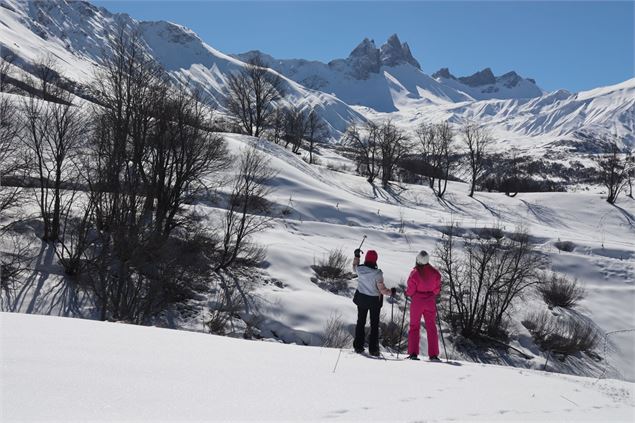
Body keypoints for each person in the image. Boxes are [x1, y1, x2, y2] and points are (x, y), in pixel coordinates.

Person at [352, 248, 395, 356]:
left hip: (361, 299)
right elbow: (382, 290)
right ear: (375, 260)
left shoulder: (360, 269)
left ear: (366, 258)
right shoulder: (378, 273)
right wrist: (391, 292)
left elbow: (354, 267)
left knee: (360, 322)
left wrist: (357, 256)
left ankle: (358, 346)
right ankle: (373, 349)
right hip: (374, 301)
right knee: (374, 325)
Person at [405, 250, 442, 361]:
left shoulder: (415, 273)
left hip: (417, 301)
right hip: (430, 300)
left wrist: (407, 293)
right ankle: (433, 354)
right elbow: (437, 289)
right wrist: (430, 294)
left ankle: (413, 353)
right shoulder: (435, 273)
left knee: (414, 326)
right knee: (431, 327)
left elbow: (411, 290)